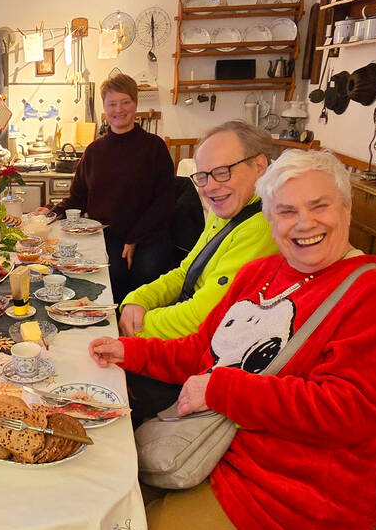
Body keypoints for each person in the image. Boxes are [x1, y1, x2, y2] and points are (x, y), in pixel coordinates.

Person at [87, 149, 376, 530]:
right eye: (286, 210)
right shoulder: (261, 274)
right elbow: (200, 351)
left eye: (319, 206)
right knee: (106, 503)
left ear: (347, 209)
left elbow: (350, 411)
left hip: (301, 498)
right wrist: (128, 351)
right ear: (269, 218)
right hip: (224, 454)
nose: (303, 222)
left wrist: (221, 390)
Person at [118, 121, 279, 419]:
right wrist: (136, 300)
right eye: (203, 176)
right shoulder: (231, 211)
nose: (210, 187)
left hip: (205, 368)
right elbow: (184, 272)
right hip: (187, 350)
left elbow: (200, 319)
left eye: (222, 172)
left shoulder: (263, 225)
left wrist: (133, 330)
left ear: (259, 166)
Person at [36, 74, 176, 304]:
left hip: (149, 236)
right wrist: (50, 213)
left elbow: (164, 202)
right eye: (112, 103)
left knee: (146, 278)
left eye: (125, 102)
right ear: (105, 108)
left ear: (136, 104)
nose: (119, 109)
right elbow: (77, 199)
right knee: (107, 277)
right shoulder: (94, 151)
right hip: (107, 235)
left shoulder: (154, 147)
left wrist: (134, 239)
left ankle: (143, 334)